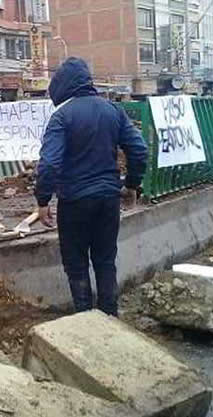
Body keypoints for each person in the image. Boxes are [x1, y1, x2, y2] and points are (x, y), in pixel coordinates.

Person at [34, 57, 148, 316]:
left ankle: (85, 320)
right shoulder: (113, 111)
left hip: (74, 201)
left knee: (76, 263)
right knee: (105, 260)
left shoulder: (61, 117)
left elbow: (49, 164)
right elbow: (139, 149)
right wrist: (132, 184)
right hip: (108, 199)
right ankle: (110, 317)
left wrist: (42, 201)